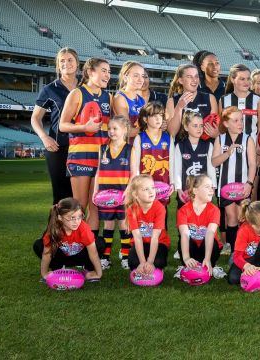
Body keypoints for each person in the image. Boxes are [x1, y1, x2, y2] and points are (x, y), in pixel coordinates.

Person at [59, 57, 112, 241]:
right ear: (90, 72)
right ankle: (71, 245)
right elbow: (63, 125)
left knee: (96, 206)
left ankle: (87, 250)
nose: (108, 75)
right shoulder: (77, 94)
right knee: (79, 207)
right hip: (80, 157)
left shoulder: (109, 97)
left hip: (101, 160)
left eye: (109, 71)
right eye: (103, 70)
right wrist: (83, 128)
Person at [31, 47, 78, 204]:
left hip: (83, 148)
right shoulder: (50, 89)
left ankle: (79, 229)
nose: (66, 63)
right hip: (59, 147)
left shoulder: (86, 87)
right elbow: (35, 118)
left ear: (77, 63)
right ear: (58, 65)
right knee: (61, 196)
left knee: (80, 197)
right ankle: (55, 229)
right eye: (62, 61)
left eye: (70, 59)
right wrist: (44, 137)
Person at [211, 106, 256, 254]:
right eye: (235, 120)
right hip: (226, 187)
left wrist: (249, 183)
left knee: (242, 217)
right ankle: (234, 251)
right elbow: (214, 162)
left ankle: (244, 247)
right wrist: (227, 153)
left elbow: (252, 164)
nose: (240, 123)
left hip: (243, 186)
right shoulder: (220, 139)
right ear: (225, 123)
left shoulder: (248, 139)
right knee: (231, 217)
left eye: (241, 120)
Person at [93, 115, 134, 270]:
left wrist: (128, 191)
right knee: (108, 225)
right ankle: (105, 257)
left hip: (123, 193)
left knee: (124, 225)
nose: (111, 131)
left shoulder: (130, 149)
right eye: (109, 128)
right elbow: (98, 171)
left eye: (115, 128)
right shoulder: (103, 148)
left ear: (124, 130)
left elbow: (134, 173)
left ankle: (125, 256)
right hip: (105, 194)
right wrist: (96, 191)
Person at [33, 197, 103, 281]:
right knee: (39, 245)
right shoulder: (54, 230)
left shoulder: (83, 227)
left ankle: (88, 269)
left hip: (80, 257)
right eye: (72, 218)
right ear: (60, 218)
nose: (76, 221)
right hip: (61, 257)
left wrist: (98, 273)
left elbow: (93, 252)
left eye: (79, 216)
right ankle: (57, 268)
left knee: (99, 242)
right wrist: (44, 274)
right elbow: (47, 254)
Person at [175, 174, 226, 279]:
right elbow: (184, 234)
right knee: (184, 239)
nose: (212, 190)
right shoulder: (183, 210)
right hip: (191, 249)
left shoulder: (214, 210)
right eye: (207, 187)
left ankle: (211, 265)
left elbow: (210, 233)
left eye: (212, 187)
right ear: (195, 191)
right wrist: (186, 257)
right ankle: (186, 266)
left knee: (213, 241)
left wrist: (207, 258)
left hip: (207, 249)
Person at [132, 102, 174, 210]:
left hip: (163, 184)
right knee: (144, 215)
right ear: (145, 119)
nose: (158, 119)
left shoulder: (168, 138)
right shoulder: (139, 138)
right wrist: (136, 183)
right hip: (144, 186)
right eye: (154, 116)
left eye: (160, 115)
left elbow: (172, 162)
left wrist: (172, 182)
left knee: (161, 213)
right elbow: (135, 165)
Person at [125, 174, 169, 273]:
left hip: (159, 242)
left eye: (153, 188)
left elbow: (155, 237)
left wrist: (150, 261)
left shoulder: (160, 208)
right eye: (145, 189)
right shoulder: (131, 209)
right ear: (136, 194)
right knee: (133, 263)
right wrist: (142, 262)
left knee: (158, 262)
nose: (151, 191)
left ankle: (155, 265)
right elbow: (137, 237)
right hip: (141, 242)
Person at [173, 110, 217, 209]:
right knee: (185, 219)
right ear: (186, 127)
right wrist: (179, 188)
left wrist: (213, 186)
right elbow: (178, 170)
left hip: (203, 190)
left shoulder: (208, 145)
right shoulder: (180, 146)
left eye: (201, 126)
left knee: (202, 219)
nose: (199, 129)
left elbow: (211, 168)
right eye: (195, 126)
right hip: (186, 190)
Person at [165, 64, 218, 142]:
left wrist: (216, 133)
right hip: (181, 149)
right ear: (181, 80)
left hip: (205, 149)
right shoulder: (172, 101)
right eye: (189, 77)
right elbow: (172, 133)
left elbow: (214, 129)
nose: (194, 80)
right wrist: (179, 107)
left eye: (196, 76)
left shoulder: (210, 98)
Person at [219, 63, 260, 140]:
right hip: (229, 148)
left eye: (248, 79)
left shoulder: (258, 100)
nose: (246, 82)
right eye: (242, 79)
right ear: (232, 79)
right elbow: (221, 126)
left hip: (251, 148)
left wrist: (258, 146)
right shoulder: (223, 100)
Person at [112, 61, 146, 141]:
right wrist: (151, 127)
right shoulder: (120, 98)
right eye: (136, 75)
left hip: (137, 147)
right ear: (125, 77)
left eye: (142, 76)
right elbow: (127, 131)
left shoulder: (141, 100)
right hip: (124, 149)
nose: (140, 79)